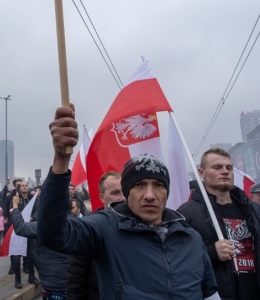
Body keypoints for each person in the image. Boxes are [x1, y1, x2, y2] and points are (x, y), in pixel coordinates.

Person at [37, 105, 220, 300]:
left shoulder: (191, 238)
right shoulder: (104, 229)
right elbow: (52, 234)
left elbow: (209, 293)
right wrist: (61, 160)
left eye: (158, 185)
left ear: (167, 192)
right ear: (126, 192)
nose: (150, 195)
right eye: (139, 185)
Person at [178, 148, 260, 299]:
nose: (225, 171)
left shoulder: (254, 210)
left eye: (229, 167)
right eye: (217, 167)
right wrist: (211, 253)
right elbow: (178, 263)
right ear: (201, 173)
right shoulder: (187, 214)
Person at [67, 171, 125, 300]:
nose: (122, 198)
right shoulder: (88, 229)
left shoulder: (138, 226)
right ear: (101, 197)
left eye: (124, 192)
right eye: (115, 193)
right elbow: (75, 281)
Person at [12, 196, 68, 298]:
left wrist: (15, 207)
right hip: (70, 281)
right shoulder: (75, 224)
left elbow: (20, 227)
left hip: (52, 284)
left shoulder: (43, 227)